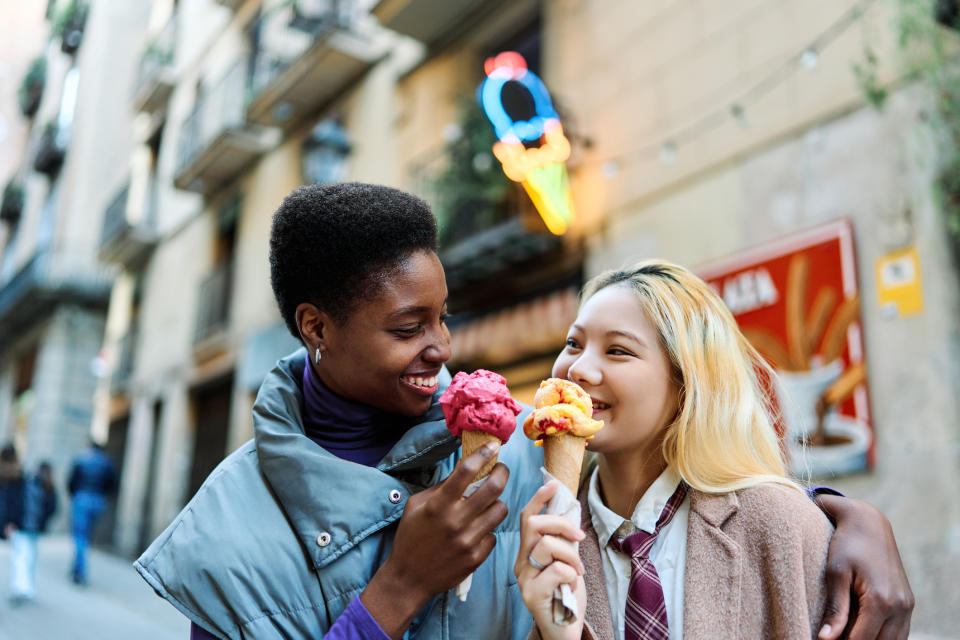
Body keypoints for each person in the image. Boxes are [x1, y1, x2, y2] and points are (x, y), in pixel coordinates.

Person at [134, 183, 912, 640]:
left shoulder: (509, 449)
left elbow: (670, 489)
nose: (442, 345)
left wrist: (836, 519)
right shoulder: (226, 534)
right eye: (409, 328)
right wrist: (399, 589)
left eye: (443, 316)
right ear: (316, 327)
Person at [516, 260, 912, 640]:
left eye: (618, 350)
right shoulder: (540, 540)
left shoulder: (784, 525)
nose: (578, 369)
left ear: (686, 381)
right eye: (573, 343)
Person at [68, 440, 117, 585]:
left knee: (79, 536)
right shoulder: (107, 463)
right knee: (86, 535)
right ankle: (77, 567)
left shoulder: (81, 459)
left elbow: (71, 481)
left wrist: (75, 495)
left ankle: (79, 570)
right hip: (98, 500)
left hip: (82, 498)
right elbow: (112, 483)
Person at [9, 461, 57, 604]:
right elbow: (52, 508)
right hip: (35, 528)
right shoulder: (48, 487)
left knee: (20, 558)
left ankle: (22, 588)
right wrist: (42, 521)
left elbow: (15, 504)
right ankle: (26, 588)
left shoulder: (27, 484)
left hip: (23, 526)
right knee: (29, 557)